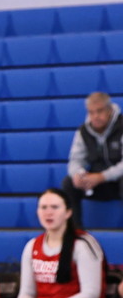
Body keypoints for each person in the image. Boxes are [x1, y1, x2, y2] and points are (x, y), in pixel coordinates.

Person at [63, 92, 123, 225]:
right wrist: (78, 174)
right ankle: (75, 231)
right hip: (96, 184)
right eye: (91, 112)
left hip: (117, 180)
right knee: (68, 183)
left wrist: (102, 177)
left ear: (109, 110)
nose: (95, 116)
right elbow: (75, 160)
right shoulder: (83, 131)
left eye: (99, 111)